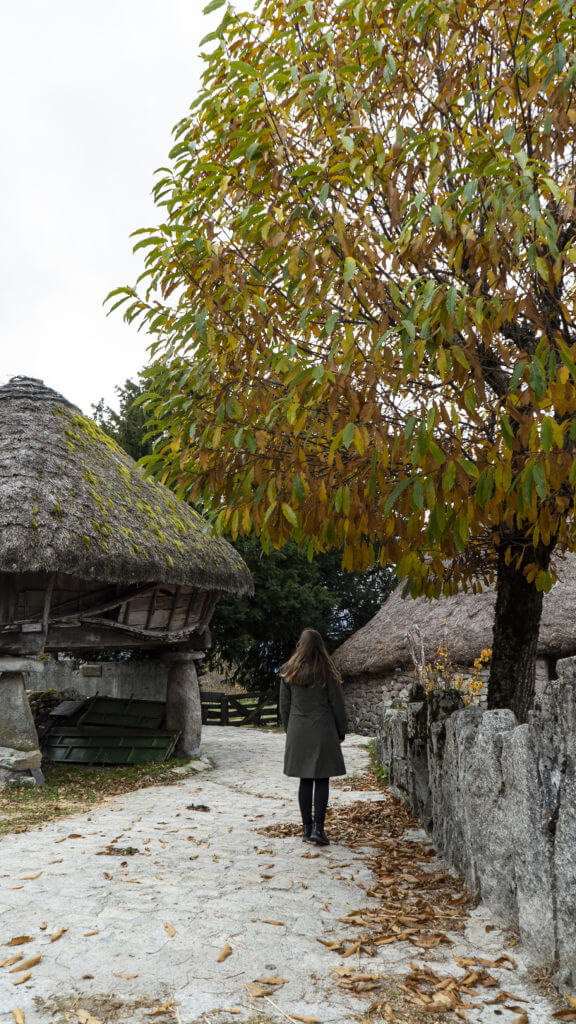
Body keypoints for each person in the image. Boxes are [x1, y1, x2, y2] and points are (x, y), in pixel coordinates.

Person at [279, 628, 347, 846]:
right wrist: (340, 730)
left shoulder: (288, 672)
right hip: (323, 729)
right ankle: (319, 829)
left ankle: (306, 829)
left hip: (298, 729)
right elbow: (337, 704)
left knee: (305, 780)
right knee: (322, 779)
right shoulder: (326, 671)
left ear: (301, 645)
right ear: (320, 647)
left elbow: (284, 707)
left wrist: (290, 730)